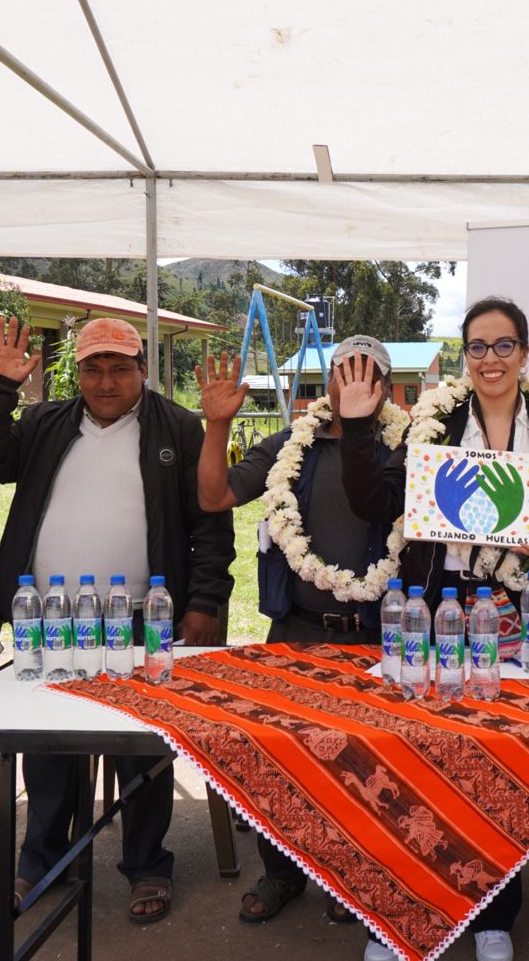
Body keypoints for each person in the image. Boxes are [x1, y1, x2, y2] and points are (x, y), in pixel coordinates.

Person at [336, 297, 529, 961]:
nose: (490, 360)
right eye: (477, 347)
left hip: (516, 615)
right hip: (436, 608)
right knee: (407, 758)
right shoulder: (438, 418)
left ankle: (493, 916)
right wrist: (360, 427)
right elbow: (372, 502)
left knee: (495, 763)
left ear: (524, 354)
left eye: (503, 346)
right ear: (464, 356)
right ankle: (391, 918)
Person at [0, 316, 235, 925]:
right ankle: (44, 860)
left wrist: (205, 601)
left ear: (142, 369)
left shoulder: (180, 429)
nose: (106, 381)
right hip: (51, 620)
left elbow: (210, 524)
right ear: (77, 372)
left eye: (119, 367)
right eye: (93, 368)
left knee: (141, 750)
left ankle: (145, 868)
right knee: (50, 747)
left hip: (144, 620)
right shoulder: (42, 423)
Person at [194, 334, 403, 929]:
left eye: (368, 373)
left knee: (367, 768)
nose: (354, 383)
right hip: (297, 630)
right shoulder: (292, 444)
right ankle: (283, 871)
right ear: (327, 381)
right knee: (281, 759)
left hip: (376, 636)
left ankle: (354, 877)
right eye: (344, 371)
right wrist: (215, 426)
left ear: (386, 388)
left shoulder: (410, 446)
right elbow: (214, 496)